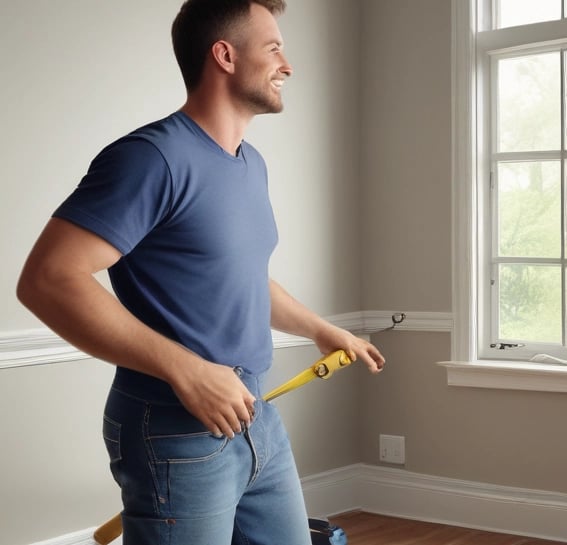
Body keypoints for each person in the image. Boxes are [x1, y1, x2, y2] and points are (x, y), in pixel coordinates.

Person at [15, 1, 385, 543]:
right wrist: (188, 371)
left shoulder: (248, 163)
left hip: (255, 415)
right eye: (275, 48)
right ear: (225, 55)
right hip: (173, 428)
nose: (288, 65)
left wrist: (321, 330)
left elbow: (240, 277)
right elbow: (48, 280)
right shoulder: (150, 158)